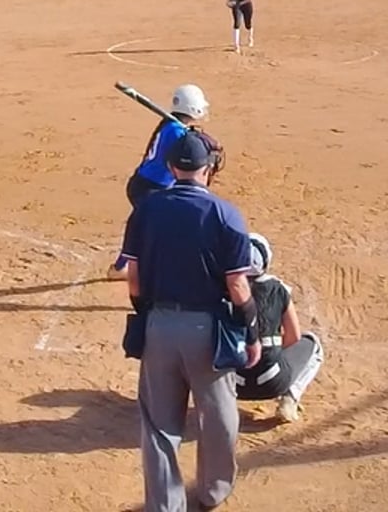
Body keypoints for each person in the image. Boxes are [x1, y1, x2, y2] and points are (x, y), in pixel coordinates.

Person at [119, 131, 260, 512]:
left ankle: (165, 505)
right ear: (207, 168)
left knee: (159, 425)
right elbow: (238, 285)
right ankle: (213, 490)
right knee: (218, 416)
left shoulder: (145, 210)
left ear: (171, 167)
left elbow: (134, 278)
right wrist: (251, 331)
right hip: (209, 333)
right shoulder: (226, 214)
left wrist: (147, 317)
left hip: (159, 326)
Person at [113, 84, 215, 273]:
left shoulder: (172, 126)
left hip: (149, 185)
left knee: (147, 227)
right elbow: (177, 163)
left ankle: (123, 266)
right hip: (151, 188)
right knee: (154, 228)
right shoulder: (176, 131)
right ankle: (124, 267)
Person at [234, 233, 325, 423]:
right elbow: (293, 336)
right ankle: (290, 397)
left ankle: (214, 402)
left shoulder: (225, 290)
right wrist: (269, 349)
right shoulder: (277, 288)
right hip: (273, 382)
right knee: (313, 343)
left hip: (233, 385)